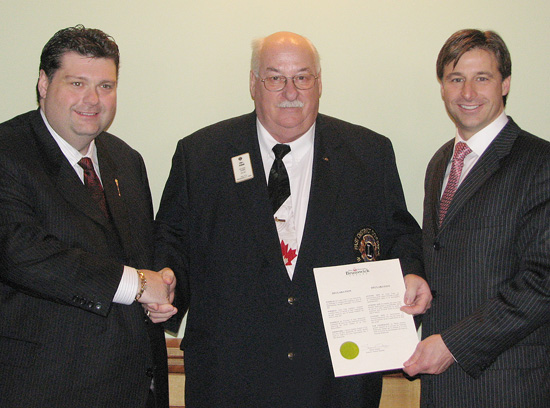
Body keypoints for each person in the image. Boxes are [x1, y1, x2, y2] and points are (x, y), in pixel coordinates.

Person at [153, 31, 431, 408]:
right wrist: (168, 278)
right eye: (275, 77)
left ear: (319, 84)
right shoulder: (201, 155)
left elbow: (400, 233)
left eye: (302, 77)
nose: (290, 91)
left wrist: (411, 272)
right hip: (229, 380)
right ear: (253, 84)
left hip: (336, 383)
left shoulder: (369, 154)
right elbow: (173, 239)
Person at [0, 25, 177, 408]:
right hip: (44, 388)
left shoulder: (126, 161)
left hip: (135, 389)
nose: (93, 100)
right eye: (77, 83)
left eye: (106, 86)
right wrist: (138, 284)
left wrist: (163, 280)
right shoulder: (8, 151)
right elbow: (20, 252)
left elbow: (138, 257)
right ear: (44, 84)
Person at [403, 29, 550, 407]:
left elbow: (542, 281)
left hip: (507, 388)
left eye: (481, 78)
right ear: (442, 87)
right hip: (440, 390)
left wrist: (454, 345)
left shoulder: (540, 163)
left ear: (506, 84)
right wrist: (416, 275)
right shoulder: (441, 163)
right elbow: (441, 254)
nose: (467, 93)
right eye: (456, 79)